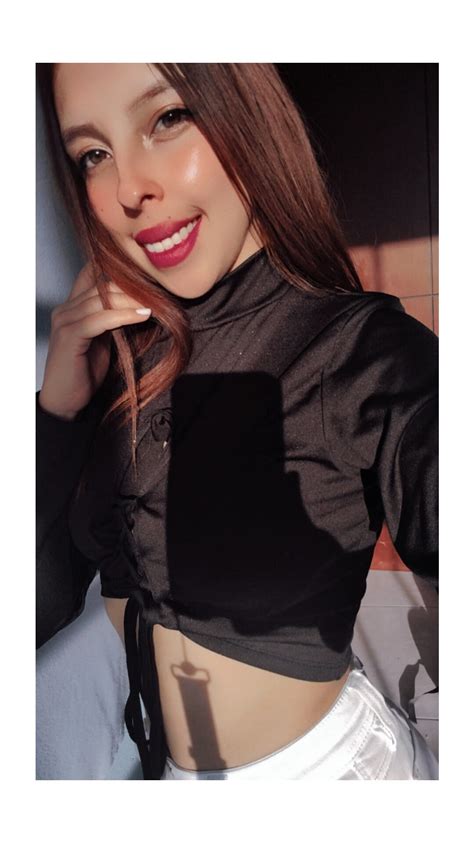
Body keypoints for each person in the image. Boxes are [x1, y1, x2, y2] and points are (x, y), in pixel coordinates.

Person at [36, 63, 438, 780]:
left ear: (247, 118)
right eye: (93, 154)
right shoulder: (120, 359)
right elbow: (40, 604)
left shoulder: (359, 348)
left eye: (167, 118)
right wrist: (58, 410)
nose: (128, 189)